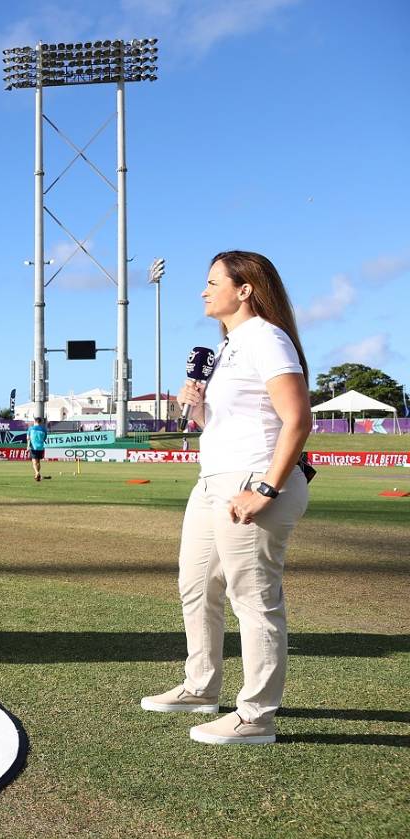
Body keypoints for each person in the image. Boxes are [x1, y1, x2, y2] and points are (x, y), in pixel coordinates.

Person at [141, 251, 311, 745]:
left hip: (255, 478)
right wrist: (196, 409)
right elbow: (223, 424)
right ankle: (201, 687)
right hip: (212, 479)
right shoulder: (226, 348)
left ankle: (256, 715)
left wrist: (265, 488)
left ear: (244, 289)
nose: (203, 290)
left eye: (213, 282)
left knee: (253, 598)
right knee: (195, 585)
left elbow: (298, 419)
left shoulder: (266, 338)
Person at [27, 416, 47, 482]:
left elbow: (28, 438)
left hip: (33, 447)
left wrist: (28, 446)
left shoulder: (31, 428)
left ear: (35, 421)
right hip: (41, 447)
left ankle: (37, 473)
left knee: (34, 462)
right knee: (38, 462)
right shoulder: (44, 429)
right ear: (40, 422)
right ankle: (37, 475)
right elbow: (44, 439)